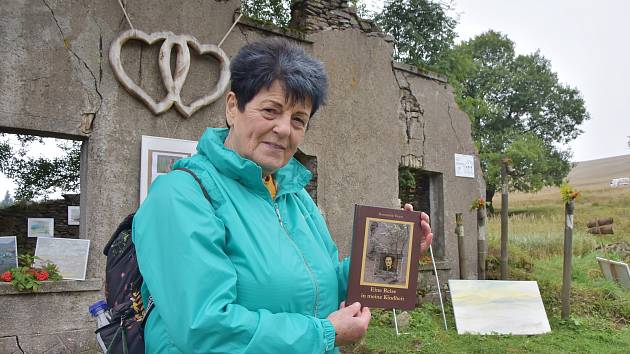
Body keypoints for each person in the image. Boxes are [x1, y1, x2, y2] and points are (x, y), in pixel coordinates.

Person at [132, 37, 433, 353]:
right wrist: (324, 334)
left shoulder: (295, 196)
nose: (284, 129)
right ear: (233, 107)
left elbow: (325, 283)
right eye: (270, 110)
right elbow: (205, 327)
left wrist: (396, 253)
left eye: (298, 119)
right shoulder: (182, 195)